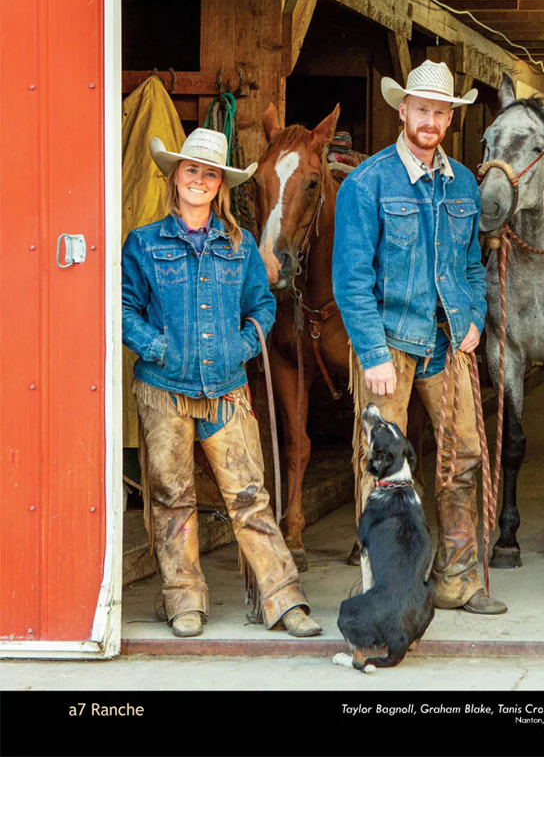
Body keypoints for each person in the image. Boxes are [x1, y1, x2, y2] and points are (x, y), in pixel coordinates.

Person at [121, 128, 322, 638]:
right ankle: (183, 598)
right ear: (175, 177)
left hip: (226, 388)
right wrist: (158, 347)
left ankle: (282, 596)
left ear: (220, 186)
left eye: (210, 174)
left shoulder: (239, 247)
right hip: (163, 387)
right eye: (192, 170)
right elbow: (122, 310)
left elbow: (262, 306)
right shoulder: (144, 244)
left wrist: (241, 346)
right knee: (171, 494)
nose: (200, 180)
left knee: (249, 492)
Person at [332, 60, 506, 615]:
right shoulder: (367, 184)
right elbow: (351, 280)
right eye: (422, 109)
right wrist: (372, 353)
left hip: (448, 341)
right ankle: (381, 583)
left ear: (451, 120)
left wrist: (475, 316)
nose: (430, 120)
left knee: (466, 456)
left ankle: (458, 579)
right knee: (381, 467)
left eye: (441, 112)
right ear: (402, 110)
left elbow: (472, 268)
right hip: (390, 343)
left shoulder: (463, 186)